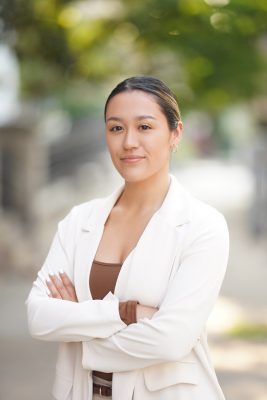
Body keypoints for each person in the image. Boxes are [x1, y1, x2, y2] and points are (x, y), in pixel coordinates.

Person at [26, 76, 229, 400]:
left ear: (176, 133)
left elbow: (171, 339)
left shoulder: (202, 225)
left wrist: (79, 331)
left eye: (145, 127)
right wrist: (125, 313)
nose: (129, 142)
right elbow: (39, 317)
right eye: (116, 128)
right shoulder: (79, 220)